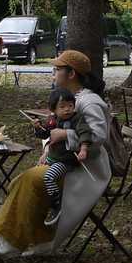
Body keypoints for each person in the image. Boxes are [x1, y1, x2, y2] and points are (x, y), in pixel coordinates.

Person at [0, 51, 112, 258]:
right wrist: (48, 144)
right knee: (21, 180)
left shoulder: (89, 102)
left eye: (57, 69)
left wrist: (65, 134)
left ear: (71, 73)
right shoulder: (70, 99)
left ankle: (11, 241)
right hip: (67, 163)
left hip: (85, 169)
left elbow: (98, 137)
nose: (53, 73)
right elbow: (55, 130)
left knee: (30, 179)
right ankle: (42, 238)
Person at [41, 88, 92, 226]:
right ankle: (44, 205)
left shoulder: (77, 119)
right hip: (53, 158)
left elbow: (85, 133)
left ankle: (57, 205)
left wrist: (83, 149)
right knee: (36, 176)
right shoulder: (53, 120)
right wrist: (38, 128)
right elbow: (45, 134)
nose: (67, 109)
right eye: (62, 106)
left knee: (49, 177)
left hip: (66, 160)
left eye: (70, 105)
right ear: (53, 109)